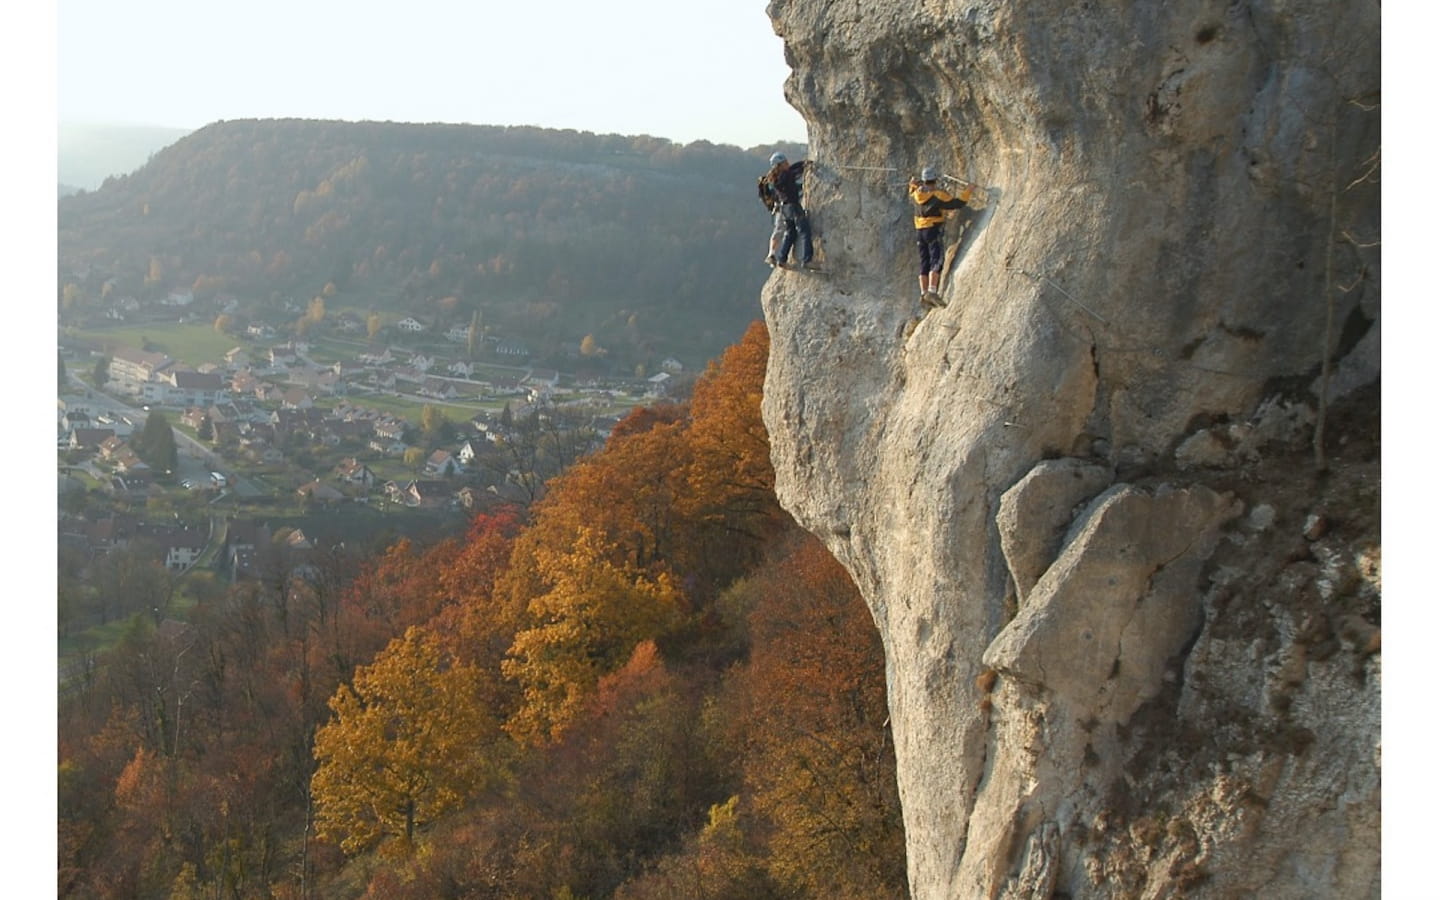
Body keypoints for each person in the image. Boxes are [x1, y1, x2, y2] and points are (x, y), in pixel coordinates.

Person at [909, 165, 972, 307]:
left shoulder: (915, 194)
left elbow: (912, 188)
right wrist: (968, 191)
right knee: (936, 259)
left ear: (924, 180)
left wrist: (913, 183)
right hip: (932, 229)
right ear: (935, 179)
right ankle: (932, 290)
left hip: (919, 231)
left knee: (924, 261)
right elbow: (956, 203)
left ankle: (923, 293)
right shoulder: (938, 195)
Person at [759, 151, 813, 269]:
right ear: (780, 165)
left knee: (791, 233)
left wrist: (802, 164)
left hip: (784, 209)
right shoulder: (786, 175)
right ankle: (807, 260)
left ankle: (782, 259)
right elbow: (793, 171)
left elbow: (791, 176)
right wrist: (804, 164)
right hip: (793, 206)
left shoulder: (776, 178)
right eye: (785, 162)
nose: (788, 163)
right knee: (805, 231)